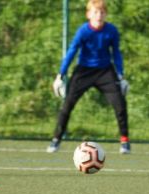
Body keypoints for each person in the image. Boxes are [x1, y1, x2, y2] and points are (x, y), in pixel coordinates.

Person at [47, 0, 130, 154]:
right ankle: (56, 139)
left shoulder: (111, 31)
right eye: (95, 12)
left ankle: (125, 141)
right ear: (88, 14)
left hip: (105, 71)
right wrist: (60, 75)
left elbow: (116, 53)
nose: (99, 15)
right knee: (67, 105)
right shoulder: (83, 31)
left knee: (120, 104)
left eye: (102, 12)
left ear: (105, 14)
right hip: (83, 71)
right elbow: (71, 52)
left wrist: (121, 76)